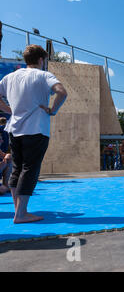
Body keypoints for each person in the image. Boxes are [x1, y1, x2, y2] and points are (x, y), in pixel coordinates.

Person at [0, 44, 67, 223]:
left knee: (17, 168)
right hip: (36, 129)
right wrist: (53, 110)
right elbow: (62, 92)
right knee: (30, 169)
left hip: (14, 129)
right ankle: (21, 214)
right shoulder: (44, 75)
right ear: (40, 60)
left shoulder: (10, 77)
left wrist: (10, 110)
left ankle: (18, 211)